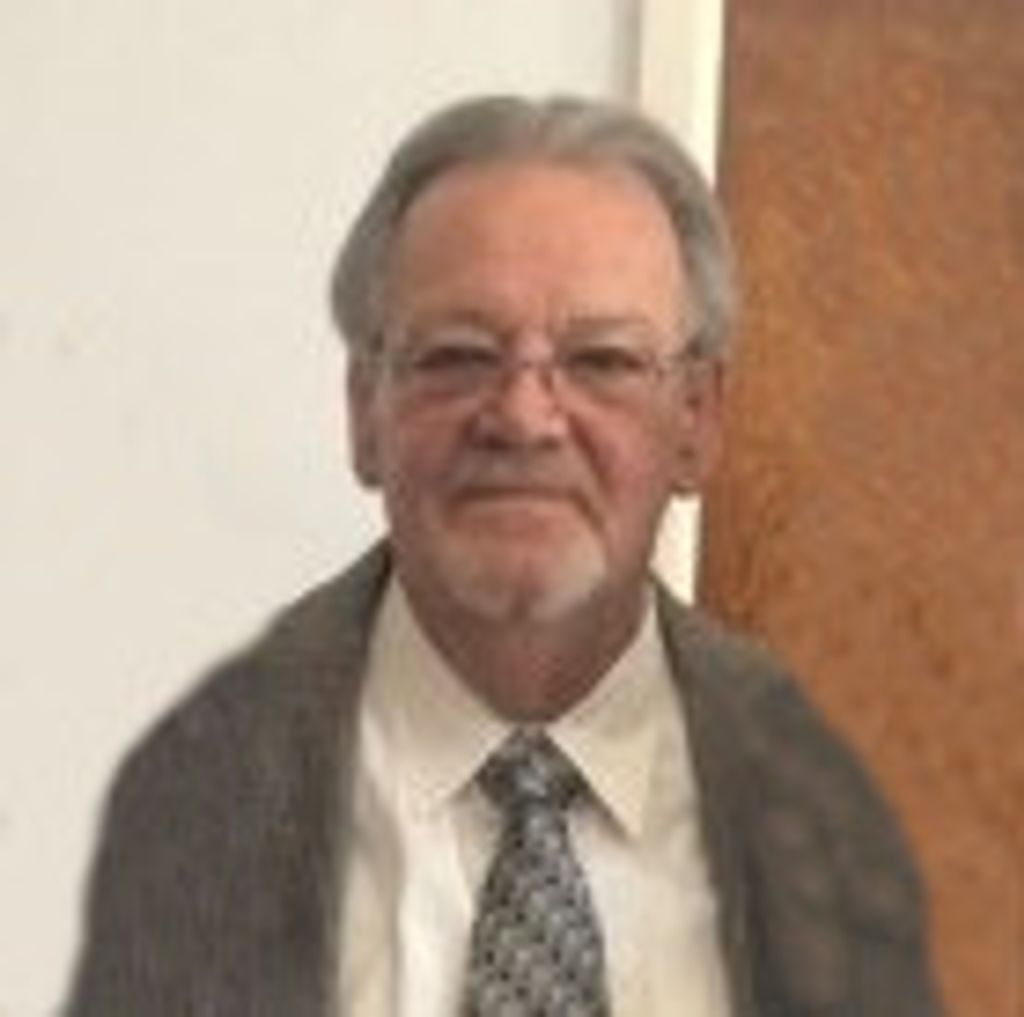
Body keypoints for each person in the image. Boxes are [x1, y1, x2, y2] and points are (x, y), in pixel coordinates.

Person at [64, 95, 942, 1016]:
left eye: (601, 360)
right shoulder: (198, 797)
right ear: (365, 411)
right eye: (457, 355)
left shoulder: (831, 813)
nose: (524, 418)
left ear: (695, 420)